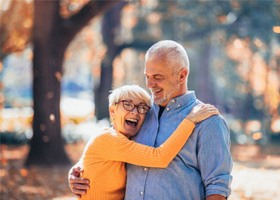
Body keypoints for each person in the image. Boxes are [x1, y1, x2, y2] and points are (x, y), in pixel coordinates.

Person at [69, 40, 233, 200]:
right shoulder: (140, 115)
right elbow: (112, 146)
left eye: (157, 77)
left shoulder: (207, 121)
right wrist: (79, 170)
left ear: (182, 75)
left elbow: (217, 187)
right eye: (147, 76)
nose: (149, 84)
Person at [77, 84, 218, 200]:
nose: (135, 112)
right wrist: (190, 120)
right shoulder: (107, 139)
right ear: (112, 111)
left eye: (142, 107)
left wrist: (75, 171)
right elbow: (159, 157)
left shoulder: (127, 140)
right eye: (127, 104)